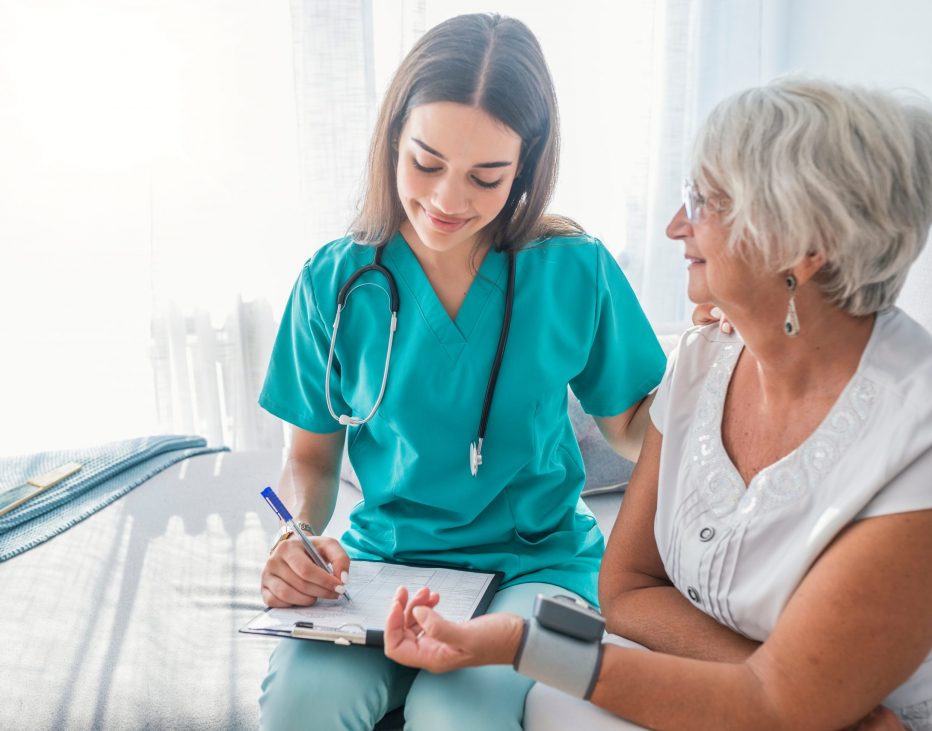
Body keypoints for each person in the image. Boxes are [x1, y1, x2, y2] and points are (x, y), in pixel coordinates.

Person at [383, 78, 932, 731]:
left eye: (705, 202)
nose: (677, 225)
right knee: (548, 703)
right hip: (794, 708)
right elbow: (628, 590)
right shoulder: (706, 359)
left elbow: (772, 706)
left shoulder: (914, 435)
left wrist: (522, 644)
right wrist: (802, 689)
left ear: (806, 246)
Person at [256, 13, 666, 730]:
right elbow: (310, 458)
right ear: (391, 141)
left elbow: (637, 426)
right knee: (301, 702)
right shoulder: (334, 280)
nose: (447, 200)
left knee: (458, 712)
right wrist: (296, 535)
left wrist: (734, 372)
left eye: (486, 177)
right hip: (383, 564)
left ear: (528, 168)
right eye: (426, 162)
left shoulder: (574, 269)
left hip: (542, 570)